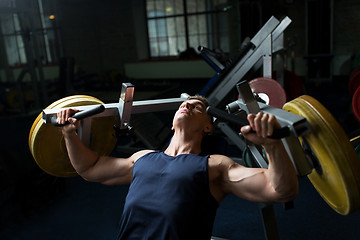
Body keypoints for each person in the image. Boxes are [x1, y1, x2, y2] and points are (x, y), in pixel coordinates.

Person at [56, 95, 299, 240]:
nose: (187, 106)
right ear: (172, 124)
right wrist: (69, 133)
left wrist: (272, 145)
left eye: (197, 107)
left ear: (207, 127)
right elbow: (89, 168)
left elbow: (279, 190)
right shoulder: (142, 158)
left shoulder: (215, 166)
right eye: (184, 104)